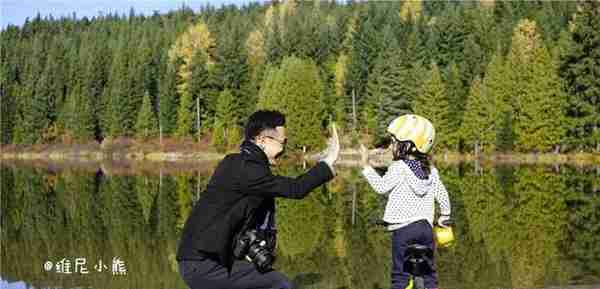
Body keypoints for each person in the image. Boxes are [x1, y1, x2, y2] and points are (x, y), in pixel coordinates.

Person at [176, 110, 340, 289]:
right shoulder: (244, 168)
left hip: (205, 260)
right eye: (282, 142)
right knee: (279, 283)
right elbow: (296, 189)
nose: (284, 148)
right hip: (203, 264)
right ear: (262, 140)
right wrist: (328, 163)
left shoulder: (241, 164)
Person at [359, 114, 451, 289]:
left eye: (394, 142)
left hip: (403, 231)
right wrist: (444, 218)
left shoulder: (399, 168)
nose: (391, 146)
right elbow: (443, 195)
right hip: (425, 229)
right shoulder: (431, 170)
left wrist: (365, 166)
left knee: (400, 275)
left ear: (408, 146)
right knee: (429, 274)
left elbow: (381, 187)